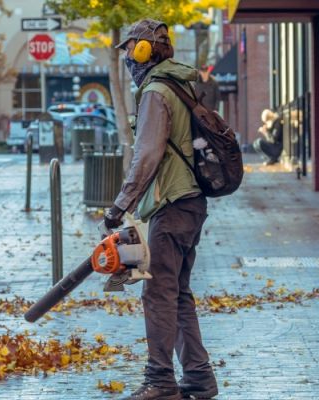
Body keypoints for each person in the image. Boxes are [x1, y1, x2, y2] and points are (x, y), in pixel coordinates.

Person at [105, 19, 218, 400]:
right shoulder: (180, 83)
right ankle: (199, 378)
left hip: (172, 205)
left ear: (143, 50)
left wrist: (120, 205)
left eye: (130, 50)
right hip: (191, 203)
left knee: (158, 294)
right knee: (177, 292)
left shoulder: (156, 91)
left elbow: (148, 155)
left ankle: (160, 381)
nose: (126, 58)